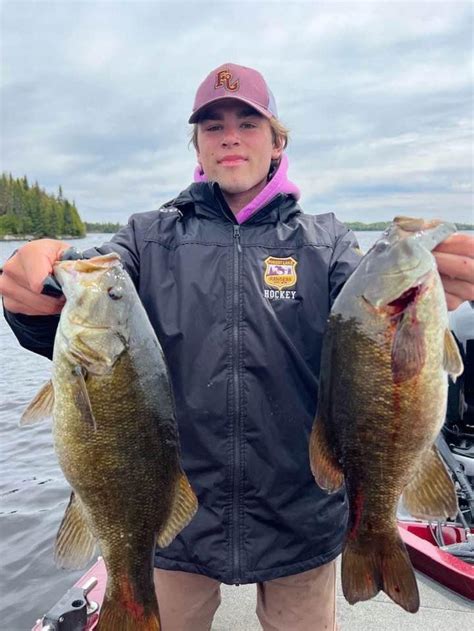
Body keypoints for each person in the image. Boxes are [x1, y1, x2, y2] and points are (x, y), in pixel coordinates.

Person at [1, 62, 473, 631]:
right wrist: (36, 287)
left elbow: (374, 334)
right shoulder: (145, 239)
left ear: (277, 143)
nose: (229, 135)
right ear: (197, 146)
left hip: (301, 511)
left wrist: (429, 299)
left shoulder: (330, 244)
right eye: (212, 124)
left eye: (248, 122)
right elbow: (82, 310)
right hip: (174, 517)